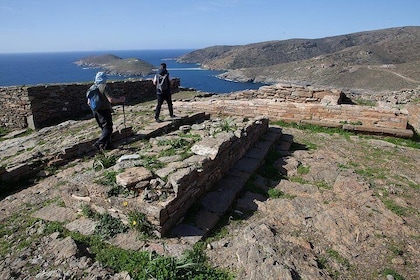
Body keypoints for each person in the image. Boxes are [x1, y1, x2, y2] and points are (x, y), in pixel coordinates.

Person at [88, 71, 125, 151]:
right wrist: (120, 100)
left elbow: (89, 102)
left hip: (95, 111)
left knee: (103, 128)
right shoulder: (104, 87)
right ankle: (98, 143)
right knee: (108, 128)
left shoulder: (92, 87)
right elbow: (111, 100)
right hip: (104, 110)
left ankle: (107, 145)